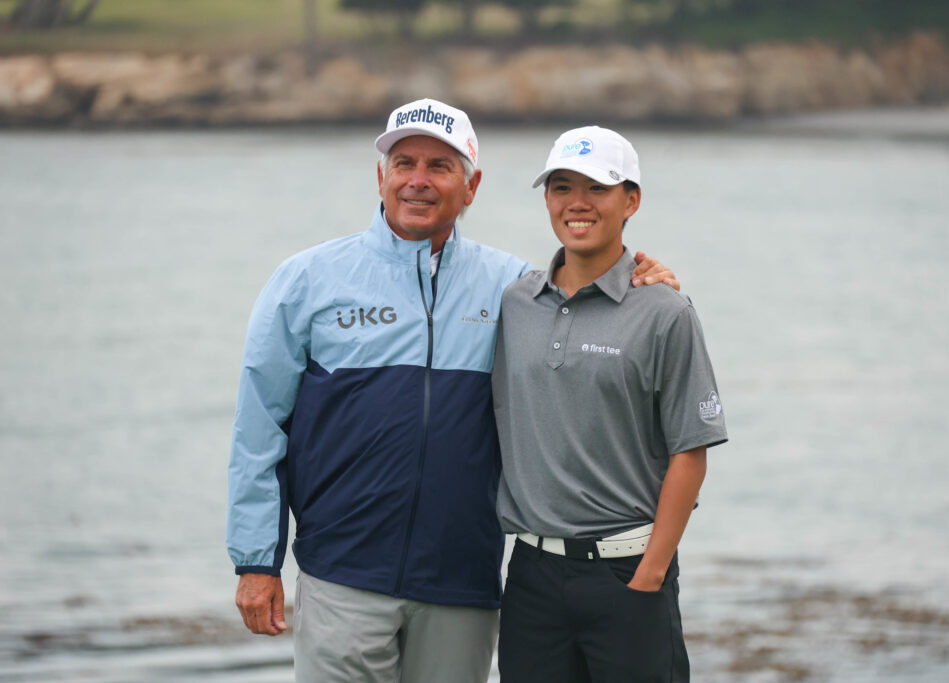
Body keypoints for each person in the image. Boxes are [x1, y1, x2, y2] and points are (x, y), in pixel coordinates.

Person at [226, 100, 677, 683]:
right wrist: (256, 561)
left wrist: (644, 280)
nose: (418, 180)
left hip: (462, 582)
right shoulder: (307, 281)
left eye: (440, 166)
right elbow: (259, 428)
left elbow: (592, 300)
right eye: (404, 163)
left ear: (471, 187)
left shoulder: (516, 289)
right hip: (341, 576)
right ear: (381, 176)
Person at [492, 125, 729, 682]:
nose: (577, 203)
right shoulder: (514, 303)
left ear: (631, 201)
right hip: (531, 578)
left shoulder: (665, 311)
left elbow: (690, 453)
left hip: (629, 574)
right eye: (561, 187)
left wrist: (650, 576)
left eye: (597, 187)